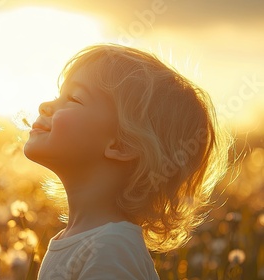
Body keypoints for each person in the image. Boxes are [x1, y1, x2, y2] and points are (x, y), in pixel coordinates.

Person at [23, 44, 232, 279]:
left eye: (73, 98)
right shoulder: (84, 239)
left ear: (122, 145)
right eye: (58, 94)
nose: (45, 106)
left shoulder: (111, 248)